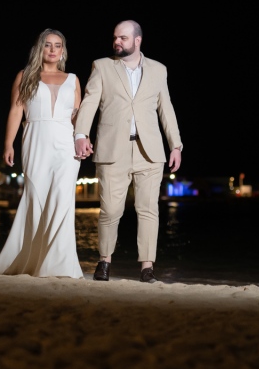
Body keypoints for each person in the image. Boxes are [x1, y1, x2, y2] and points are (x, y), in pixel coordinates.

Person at [74, 19, 183, 283]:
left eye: (122, 38)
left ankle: (147, 267)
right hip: (113, 149)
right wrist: (80, 134)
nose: (117, 42)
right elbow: (89, 102)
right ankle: (104, 262)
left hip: (150, 151)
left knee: (148, 210)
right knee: (110, 210)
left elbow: (165, 109)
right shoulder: (102, 66)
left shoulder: (159, 70)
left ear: (137, 41)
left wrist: (176, 145)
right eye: (115, 38)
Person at [0, 28, 84, 279]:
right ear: (39, 49)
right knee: (36, 197)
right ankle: (30, 260)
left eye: (58, 45)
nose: (53, 50)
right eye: (48, 45)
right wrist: (8, 144)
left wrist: (82, 139)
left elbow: (78, 116)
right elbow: (15, 111)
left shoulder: (73, 79)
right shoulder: (25, 76)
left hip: (66, 145)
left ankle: (60, 266)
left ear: (63, 50)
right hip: (36, 140)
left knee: (63, 199)